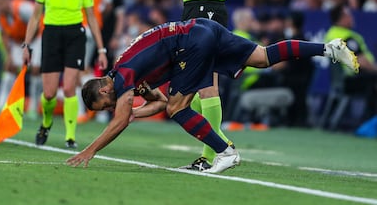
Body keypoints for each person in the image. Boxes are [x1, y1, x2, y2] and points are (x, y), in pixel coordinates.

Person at [66, 18, 359, 173]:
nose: (111, 107)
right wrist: (132, 113)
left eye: (106, 105)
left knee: (179, 110)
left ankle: (225, 152)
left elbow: (122, 121)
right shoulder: (129, 73)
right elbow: (159, 102)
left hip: (190, 44)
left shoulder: (123, 76)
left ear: (104, 89)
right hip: (204, 29)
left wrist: (90, 149)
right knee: (263, 57)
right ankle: (327, 49)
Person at [22, 0, 108, 148]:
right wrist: (26, 44)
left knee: (69, 87)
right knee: (49, 93)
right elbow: (35, 17)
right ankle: (46, 122)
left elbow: (92, 19)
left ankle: (70, 136)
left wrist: (101, 49)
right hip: (50, 34)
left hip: (74, 35)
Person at [179, 0, 246, 170]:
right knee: (193, 88)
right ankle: (222, 142)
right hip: (196, 8)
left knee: (207, 84)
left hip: (207, 7)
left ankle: (210, 157)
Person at [0, 0, 42, 119]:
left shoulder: (23, 9)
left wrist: (27, 46)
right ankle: (1, 105)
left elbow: (37, 23)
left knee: (36, 69)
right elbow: (4, 35)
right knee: (9, 68)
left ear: (7, 0)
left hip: (38, 37)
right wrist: (8, 55)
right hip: (17, 40)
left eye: (0, 3)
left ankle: (33, 109)